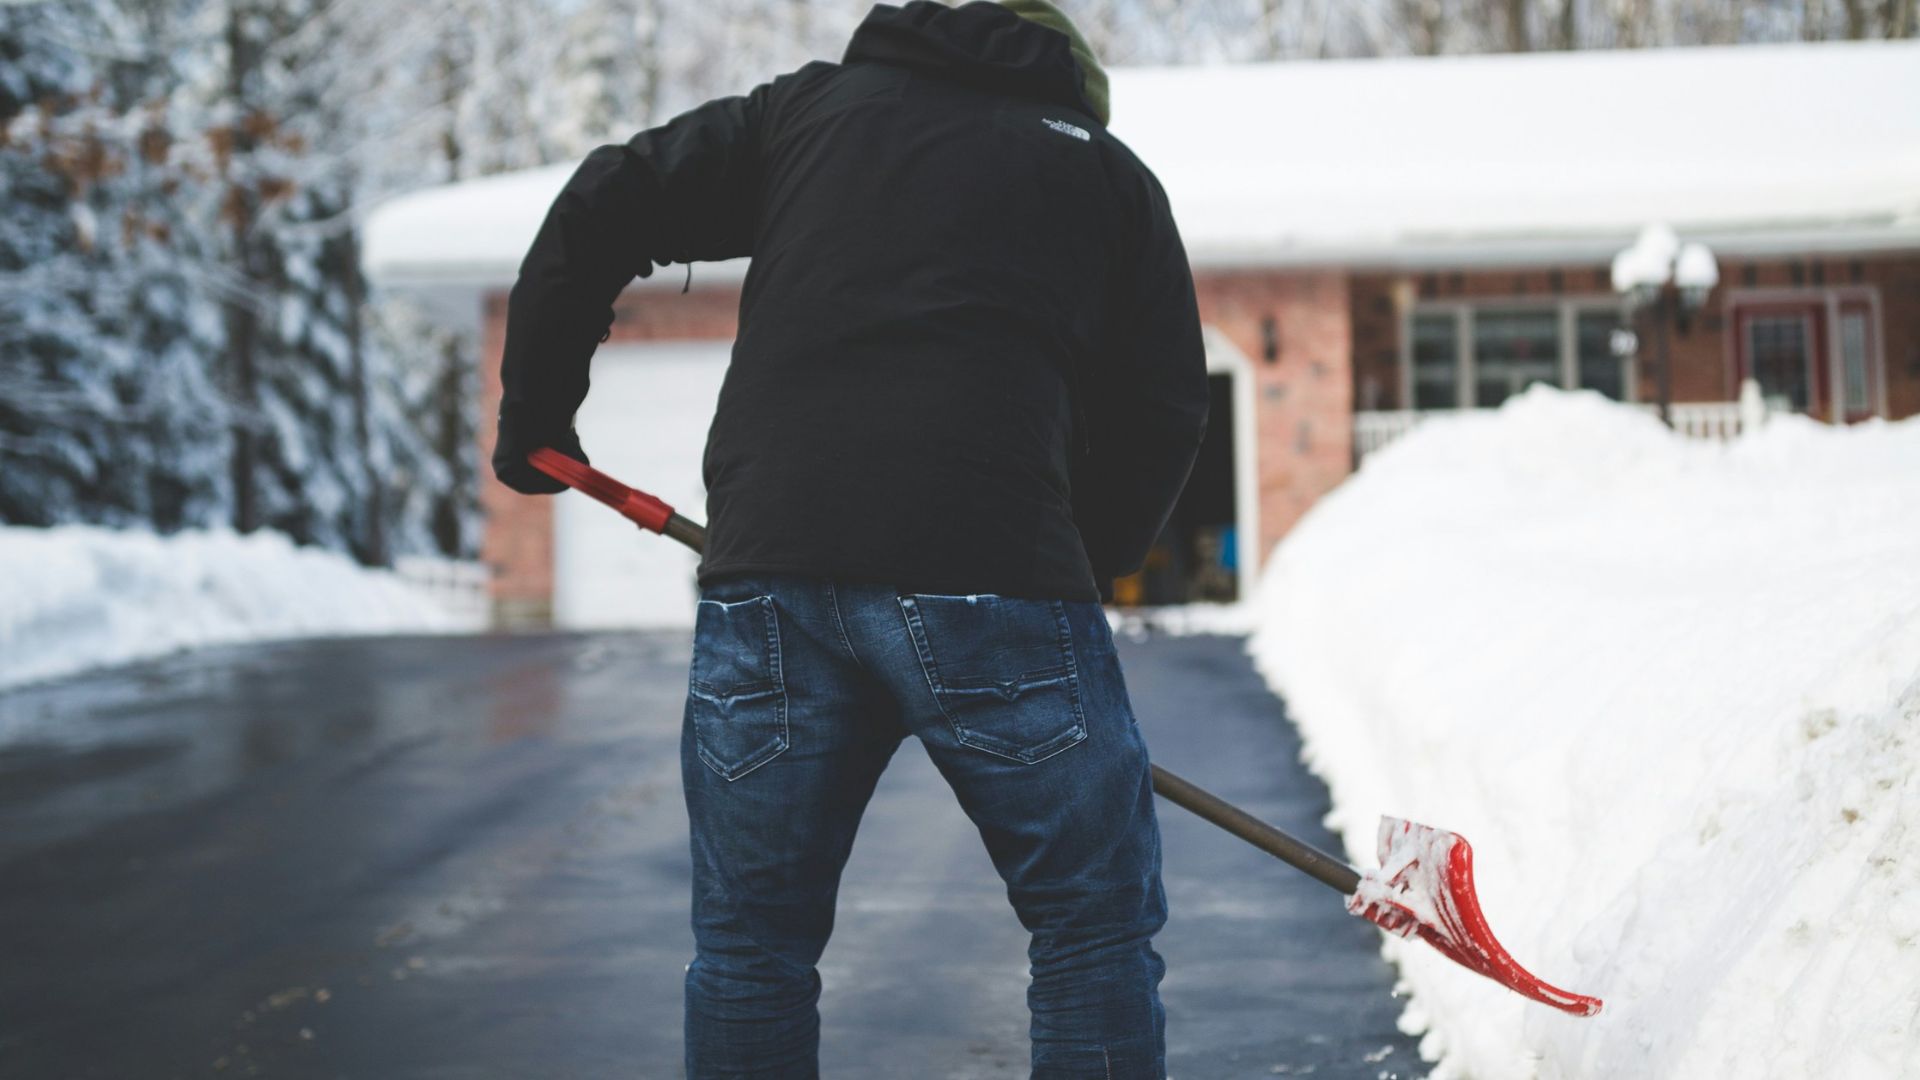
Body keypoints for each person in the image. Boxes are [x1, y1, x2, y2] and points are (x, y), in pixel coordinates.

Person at [492, 2, 1208, 1076]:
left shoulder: (806, 119)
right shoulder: (1107, 175)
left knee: (750, 947)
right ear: (1071, 82)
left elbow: (610, 196)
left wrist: (535, 410)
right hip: (996, 572)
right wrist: (1077, 564)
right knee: (1090, 930)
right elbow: (1164, 407)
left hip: (774, 575)